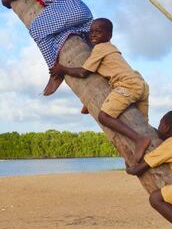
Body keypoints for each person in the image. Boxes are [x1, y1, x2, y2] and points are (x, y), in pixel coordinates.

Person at [50, 18, 150, 163]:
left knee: (104, 117)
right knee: (143, 125)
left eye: (98, 31)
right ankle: (147, 149)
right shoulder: (111, 49)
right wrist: (88, 104)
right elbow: (104, 78)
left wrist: (62, 68)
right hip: (141, 85)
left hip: (128, 85)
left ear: (109, 35)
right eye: (91, 32)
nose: (93, 34)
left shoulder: (100, 48)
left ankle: (139, 140)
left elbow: (84, 72)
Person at [1, 0, 93, 96]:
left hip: (68, 7)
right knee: (69, 36)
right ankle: (94, 78)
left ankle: (54, 72)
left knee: (37, 28)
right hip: (81, 11)